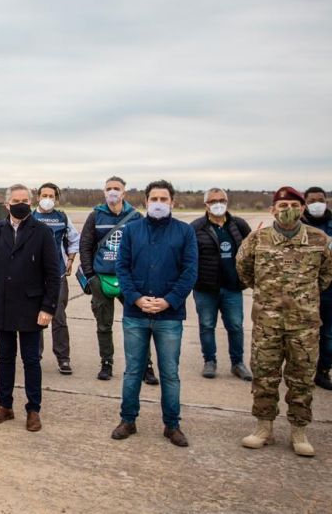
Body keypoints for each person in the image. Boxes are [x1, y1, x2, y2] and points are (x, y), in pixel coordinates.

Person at [238, 186, 332, 457]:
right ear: (272, 210)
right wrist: (267, 295)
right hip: (267, 324)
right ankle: (263, 428)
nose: (287, 210)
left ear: (302, 208)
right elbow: (244, 269)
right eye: (281, 206)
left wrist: (303, 297)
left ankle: (299, 431)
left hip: (304, 325)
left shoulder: (319, 239)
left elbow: (328, 272)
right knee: (264, 376)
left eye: (293, 205)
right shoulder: (257, 239)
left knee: (302, 379)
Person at [110, 180, 197, 447]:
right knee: (133, 370)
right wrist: (136, 299)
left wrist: (168, 301)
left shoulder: (184, 232)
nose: (158, 203)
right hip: (136, 315)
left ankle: (172, 425)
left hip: (169, 316)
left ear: (173, 202)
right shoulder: (132, 230)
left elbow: (190, 271)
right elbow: (122, 269)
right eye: (154, 199)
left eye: (164, 199)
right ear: (145, 202)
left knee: (169, 372)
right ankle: (128, 420)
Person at [0, 184, 61, 430]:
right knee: (5, 358)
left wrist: (48, 308)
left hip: (32, 307)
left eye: (25, 199)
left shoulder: (42, 232)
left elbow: (53, 274)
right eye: (16, 200)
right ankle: (5, 405)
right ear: (7, 204)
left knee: (31, 359)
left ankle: (33, 409)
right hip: (1, 304)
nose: (21, 203)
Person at [79, 176, 157, 384]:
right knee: (103, 325)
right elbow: (85, 246)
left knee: (138, 324)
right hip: (101, 278)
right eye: (109, 188)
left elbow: (145, 248)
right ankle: (106, 363)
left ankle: (146, 366)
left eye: (117, 188)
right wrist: (90, 276)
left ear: (124, 192)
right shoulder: (96, 216)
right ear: (104, 192)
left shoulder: (135, 217)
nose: (112, 192)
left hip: (129, 281)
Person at [190, 188, 252, 380]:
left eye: (222, 200)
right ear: (206, 204)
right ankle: (210, 361)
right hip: (205, 288)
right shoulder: (196, 227)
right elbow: (189, 257)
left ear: (227, 202)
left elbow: (250, 250)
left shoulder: (239, 225)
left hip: (232, 287)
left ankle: (238, 363)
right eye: (213, 200)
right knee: (207, 326)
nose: (218, 203)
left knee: (235, 326)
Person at [301, 186, 332, 391]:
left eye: (320, 199)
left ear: (326, 202)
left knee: (328, 333)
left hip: (330, 291)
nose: (316, 203)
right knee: (300, 334)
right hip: (301, 291)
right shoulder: (296, 226)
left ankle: (323, 371)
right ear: (305, 203)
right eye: (311, 200)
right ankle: (301, 371)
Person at [32, 182, 80, 375]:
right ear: (38, 197)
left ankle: (63, 358)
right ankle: (35, 356)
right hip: (33, 276)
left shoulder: (62, 217)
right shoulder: (30, 216)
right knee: (35, 318)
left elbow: (74, 239)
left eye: (52, 196)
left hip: (57, 275)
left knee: (58, 317)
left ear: (57, 199)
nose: (48, 199)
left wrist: (70, 259)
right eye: (44, 195)